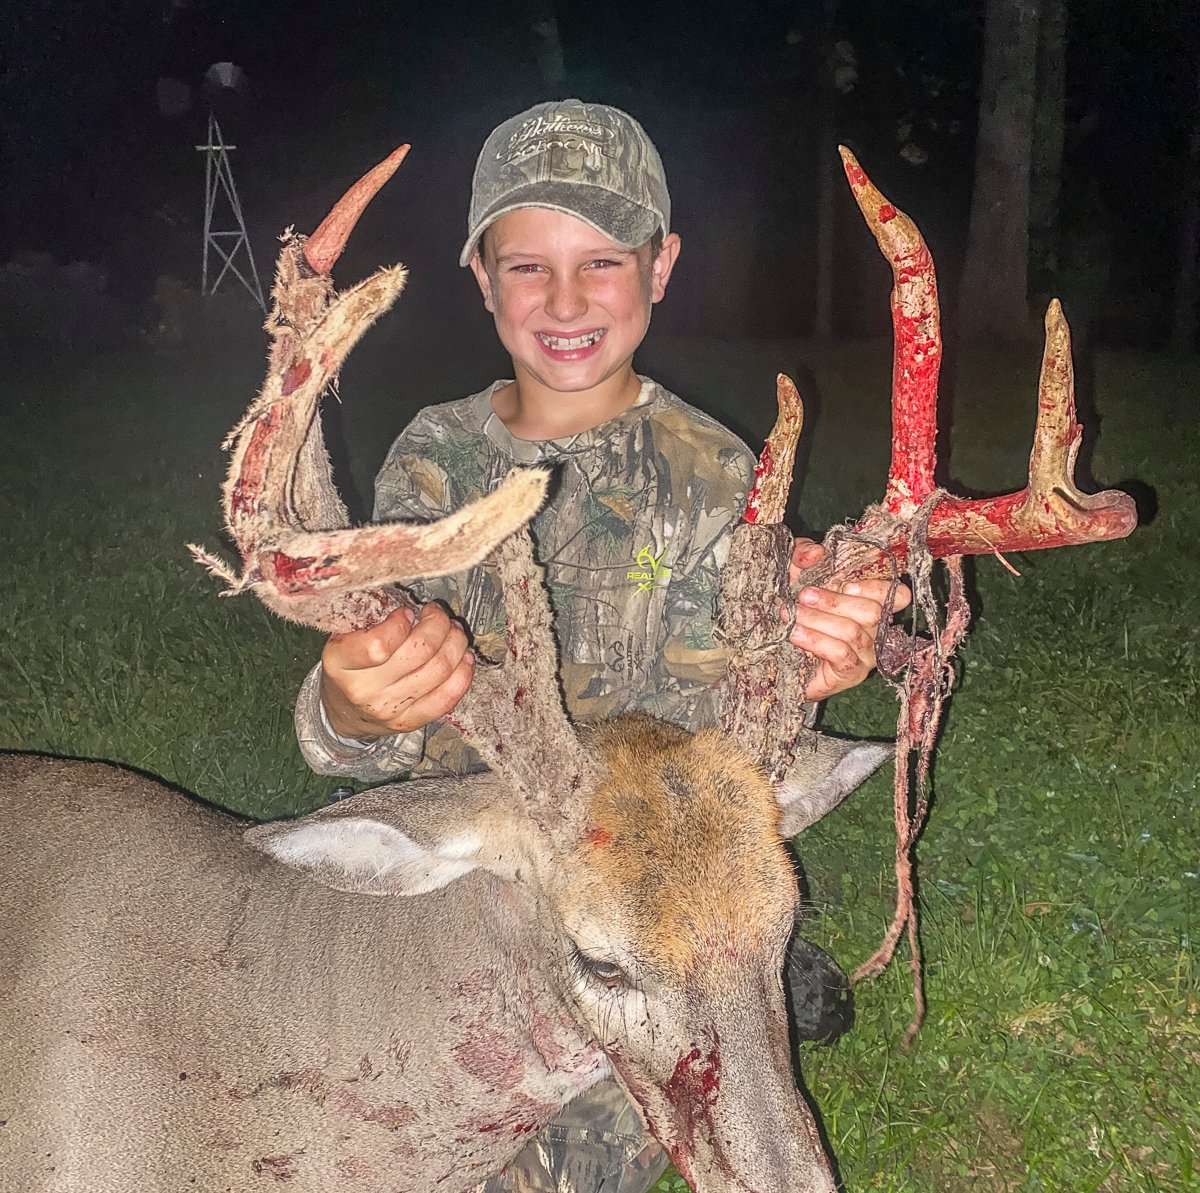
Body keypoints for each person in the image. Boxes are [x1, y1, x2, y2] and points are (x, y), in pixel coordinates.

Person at [293, 98, 911, 1193]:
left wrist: (822, 652)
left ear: (661, 266)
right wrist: (350, 707)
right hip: (479, 855)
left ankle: (738, 967)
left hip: (639, 885)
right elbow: (361, 714)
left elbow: (755, 704)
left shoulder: (718, 473)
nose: (566, 301)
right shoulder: (430, 463)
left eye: (603, 260)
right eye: (527, 266)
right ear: (480, 278)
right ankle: (754, 976)